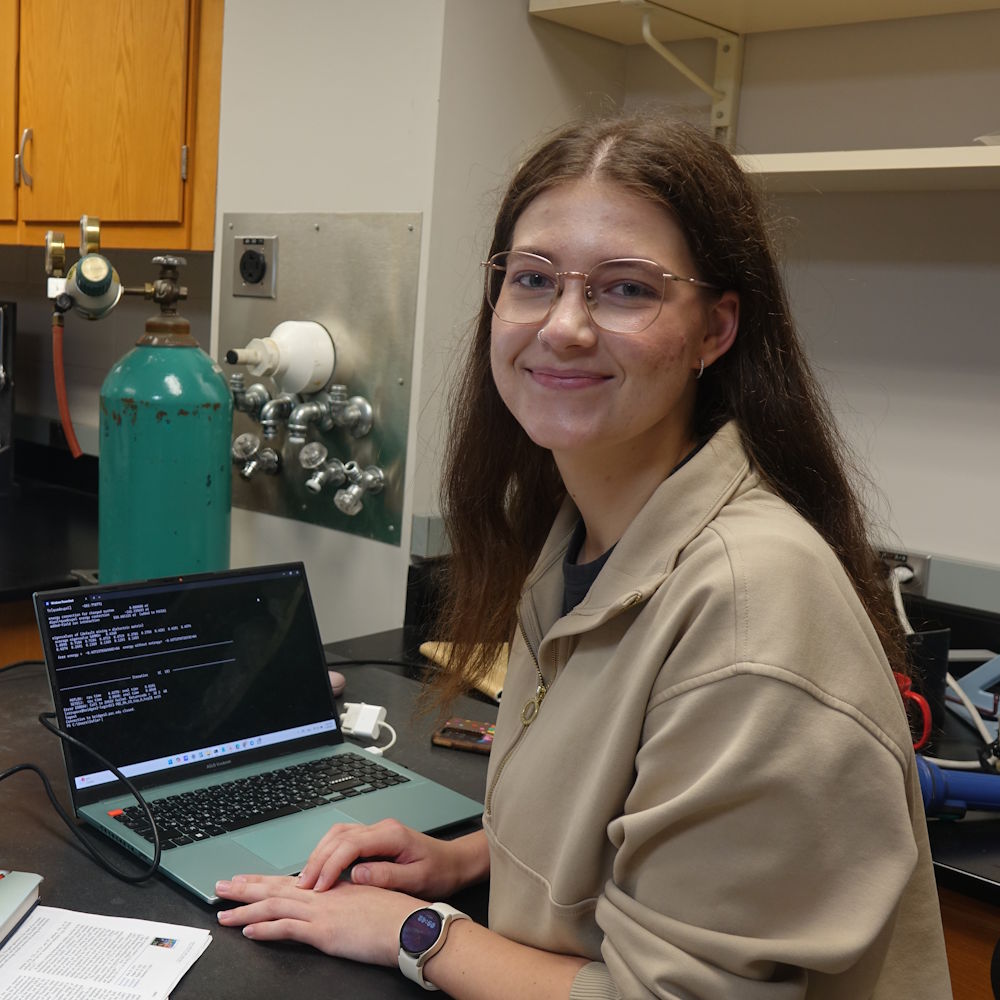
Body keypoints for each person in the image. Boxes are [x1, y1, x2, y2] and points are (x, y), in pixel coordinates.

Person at [215, 115, 952, 999]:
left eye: (627, 289)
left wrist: (415, 931)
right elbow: (625, 818)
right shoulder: (586, 536)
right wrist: (467, 859)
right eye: (533, 279)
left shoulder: (748, 609)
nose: (563, 326)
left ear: (715, 330)